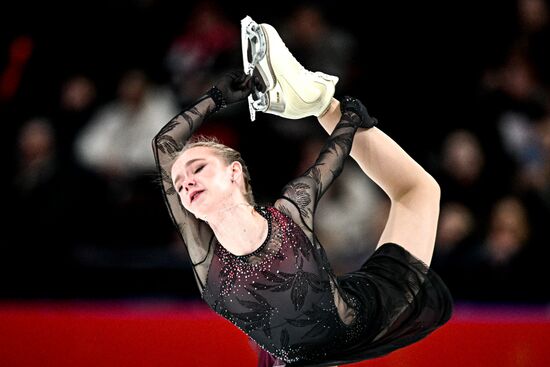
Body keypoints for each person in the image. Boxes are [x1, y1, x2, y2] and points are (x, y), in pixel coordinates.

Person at [152, 17, 453, 367]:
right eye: (179, 182)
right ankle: (314, 99)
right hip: (292, 359)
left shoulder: (289, 212)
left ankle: (315, 99)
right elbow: (164, 146)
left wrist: (347, 117)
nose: (185, 182)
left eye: (198, 169)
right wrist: (215, 97)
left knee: (419, 190)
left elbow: (332, 159)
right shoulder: (202, 250)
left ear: (235, 173)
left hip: (361, 320)